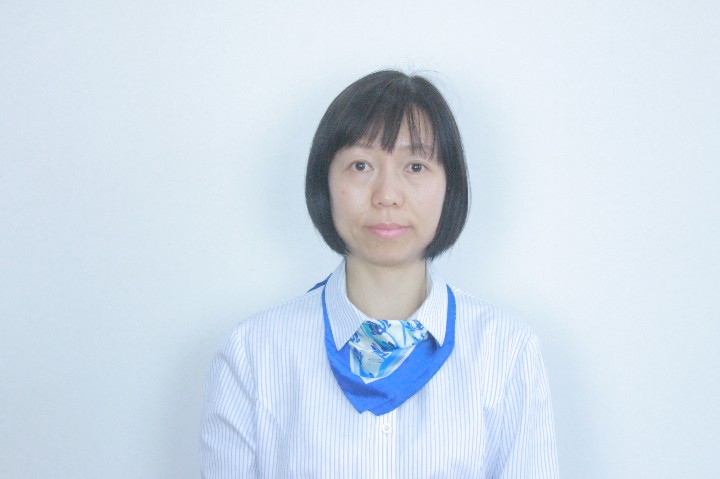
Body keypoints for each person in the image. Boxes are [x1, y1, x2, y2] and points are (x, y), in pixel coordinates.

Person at [200, 70, 559, 478]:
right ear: (324, 182)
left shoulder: (506, 353)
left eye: (416, 166)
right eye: (361, 165)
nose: (387, 195)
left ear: (450, 187)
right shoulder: (253, 355)